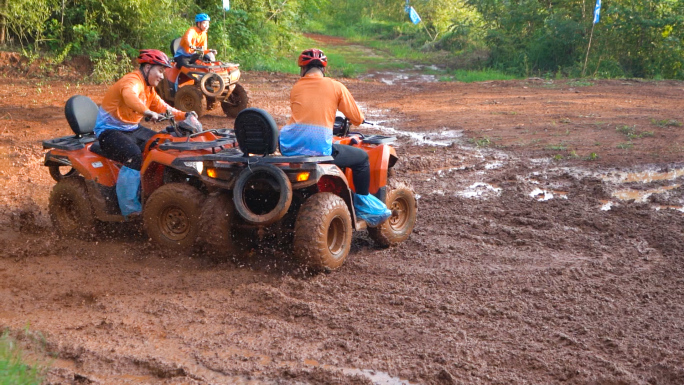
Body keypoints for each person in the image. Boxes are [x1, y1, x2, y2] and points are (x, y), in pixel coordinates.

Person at [280, 48, 391, 226]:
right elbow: (356, 117)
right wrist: (361, 119)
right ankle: (362, 203)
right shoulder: (335, 86)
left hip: (289, 145)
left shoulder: (297, 87)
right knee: (362, 158)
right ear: (323, 69)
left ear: (302, 69)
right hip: (317, 149)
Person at [94, 49, 194, 219]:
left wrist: (186, 115)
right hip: (109, 131)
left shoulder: (149, 89)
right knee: (133, 156)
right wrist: (147, 112)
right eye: (160, 71)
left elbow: (164, 107)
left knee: (162, 145)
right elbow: (129, 96)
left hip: (132, 128)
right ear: (147, 68)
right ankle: (130, 210)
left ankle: (152, 193)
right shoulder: (133, 80)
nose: (162, 76)